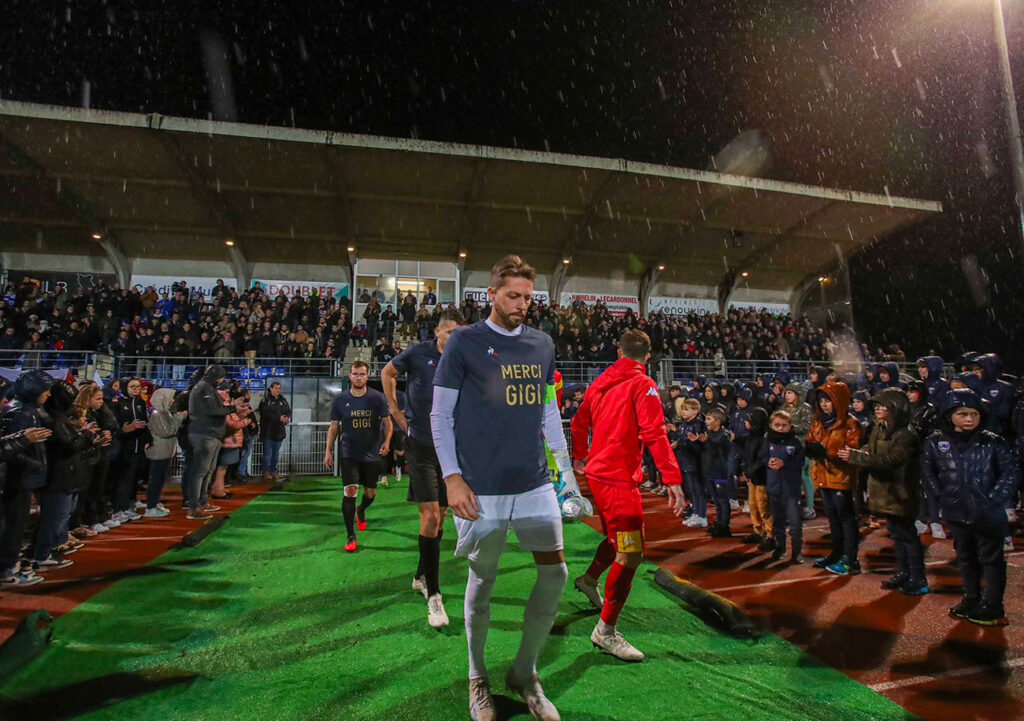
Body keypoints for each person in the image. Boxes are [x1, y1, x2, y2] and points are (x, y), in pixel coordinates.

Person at [430, 255, 573, 721]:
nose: (522, 304)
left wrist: (566, 475)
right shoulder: (465, 343)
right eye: (513, 295)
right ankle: (477, 677)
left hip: (534, 482)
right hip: (480, 488)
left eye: (528, 297)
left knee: (556, 574)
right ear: (490, 293)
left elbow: (548, 411)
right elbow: (440, 416)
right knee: (483, 580)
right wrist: (452, 478)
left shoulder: (542, 343)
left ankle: (524, 671)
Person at [569, 328, 685, 662]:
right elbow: (654, 433)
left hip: (599, 475)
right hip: (619, 481)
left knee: (616, 537)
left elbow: (578, 423)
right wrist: (672, 477)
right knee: (631, 552)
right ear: (647, 356)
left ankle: (588, 579)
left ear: (619, 351)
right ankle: (605, 631)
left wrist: (579, 456)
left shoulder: (598, 384)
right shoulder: (642, 385)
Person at [381, 307, 467, 628]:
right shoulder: (419, 353)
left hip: (449, 450)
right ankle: (434, 595)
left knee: (441, 516)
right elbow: (387, 373)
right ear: (438, 333)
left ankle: (420, 575)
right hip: (419, 445)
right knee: (430, 516)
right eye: (451, 334)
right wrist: (394, 410)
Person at [920, 389, 1020, 625]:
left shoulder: (993, 442)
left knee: (991, 560)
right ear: (949, 414)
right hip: (956, 511)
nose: (969, 419)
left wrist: (993, 499)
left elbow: (1010, 472)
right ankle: (971, 598)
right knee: (965, 557)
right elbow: (928, 472)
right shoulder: (935, 442)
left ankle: (993, 604)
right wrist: (942, 496)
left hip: (989, 514)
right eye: (963, 413)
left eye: (974, 414)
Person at [839, 389, 928, 593]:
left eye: (883, 406)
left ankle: (918, 578)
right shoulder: (880, 428)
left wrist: (856, 457)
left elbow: (891, 461)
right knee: (897, 535)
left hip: (901, 492)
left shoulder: (906, 434)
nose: (878, 409)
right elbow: (871, 450)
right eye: (876, 406)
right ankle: (905, 572)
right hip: (886, 492)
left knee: (907, 535)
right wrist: (857, 453)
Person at [323, 361, 392, 552]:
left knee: (370, 494)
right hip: (349, 453)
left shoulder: (377, 398)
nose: (358, 377)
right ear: (350, 376)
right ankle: (350, 535)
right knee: (350, 491)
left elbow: (388, 422)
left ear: (367, 376)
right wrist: (328, 450)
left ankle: (361, 510)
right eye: (355, 374)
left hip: (371, 453)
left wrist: (387, 442)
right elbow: (334, 426)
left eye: (362, 374)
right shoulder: (340, 400)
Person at [804, 382, 861, 572]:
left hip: (840, 477)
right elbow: (810, 440)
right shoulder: (818, 421)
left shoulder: (850, 423)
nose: (824, 405)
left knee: (846, 519)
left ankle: (850, 559)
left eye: (828, 400)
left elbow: (853, 450)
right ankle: (837, 553)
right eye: (821, 401)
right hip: (823, 475)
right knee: (833, 519)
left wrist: (827, 452)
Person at [185, 365, 249, 521]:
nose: (221, 380)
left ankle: (203, 502)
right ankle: (194, 507)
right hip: (205, 434)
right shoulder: (203, 389)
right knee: (201, 472)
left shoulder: (205, 387)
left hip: (210, 434)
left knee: (206, 471)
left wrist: (232, 408)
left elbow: (215, 409)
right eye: (220, 376)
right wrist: (233, 409)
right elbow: (213, 410)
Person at [764, 410, 806, 562]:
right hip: (774, 487)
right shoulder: (767, 441)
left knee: (795, 524)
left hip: (791, 489)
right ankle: (780, 549)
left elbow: (800, 462)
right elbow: (762, 457)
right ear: (771, 425)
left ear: (790, 426)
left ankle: (797, 552)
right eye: (777, 425)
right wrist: (767, 462)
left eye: (784, 425)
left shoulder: (795, 443)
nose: (780, 428)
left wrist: (785, 463)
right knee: (778, 522)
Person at [143, 388, 185, 518]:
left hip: (165, 451)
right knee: (155, 479)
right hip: (158, 452)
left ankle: (155, 502)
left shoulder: (165, 413)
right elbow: (167, 431)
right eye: (170, 398)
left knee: (160, 479)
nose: (172, 401)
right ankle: (150, 506)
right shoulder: (157, 414)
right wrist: (179, 418)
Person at [739, 406, 773, 550]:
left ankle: (771, 536)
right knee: (753, 506)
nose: (746, 422)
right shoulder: (751, 436)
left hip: (762, 478)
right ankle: (758, 530)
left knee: (764, 507)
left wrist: (749, 472)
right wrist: (745, 471)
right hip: (752, 478)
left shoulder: (765, 438)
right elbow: (747, 456)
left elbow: (762, 460)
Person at [782, 381, 815, 520]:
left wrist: (788, 427)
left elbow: (806, 426)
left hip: (802, 447)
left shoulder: (805, 408)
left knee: (803, 475)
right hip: (788, 447)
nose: (786, 396)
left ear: (798, 394)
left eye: (789, 393)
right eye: (786, 393)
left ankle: (810, 507)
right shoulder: (785, 408)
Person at [675, 398, 708, 528]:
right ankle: (695, 513)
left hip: (695, 461)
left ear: (695, 411)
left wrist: (694, 442)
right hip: (685, 460)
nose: (683, 412)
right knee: (691, 489)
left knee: (699, 489)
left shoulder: (699, 424)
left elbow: (701, 446)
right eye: (683, 409)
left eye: (686, 409)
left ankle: (702, 515)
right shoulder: (683, 424)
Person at [702, 408, 735, 537]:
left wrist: (706, 441)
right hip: (710, 471)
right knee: (716, 500)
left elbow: (718, 450)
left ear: (718, 421)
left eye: (709, 419)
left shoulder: (724, 435)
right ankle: (718, 522)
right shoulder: (709, 434)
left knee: (722, 500)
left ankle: (724, 526)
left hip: (721, 473)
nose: (706, 422)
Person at [258, 381, 290, 481]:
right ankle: (266, 472)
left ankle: (273, 471)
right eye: (276, 388)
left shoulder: (283, 400)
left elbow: (288, 411)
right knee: (267, 453)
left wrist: (286, 418)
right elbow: (265, 414)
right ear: (271, 388)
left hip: (279, 431)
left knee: (275, 454)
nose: (278, 390)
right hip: (268, 431)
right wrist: (278, 418)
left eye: (279, 388)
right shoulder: (265, 401)